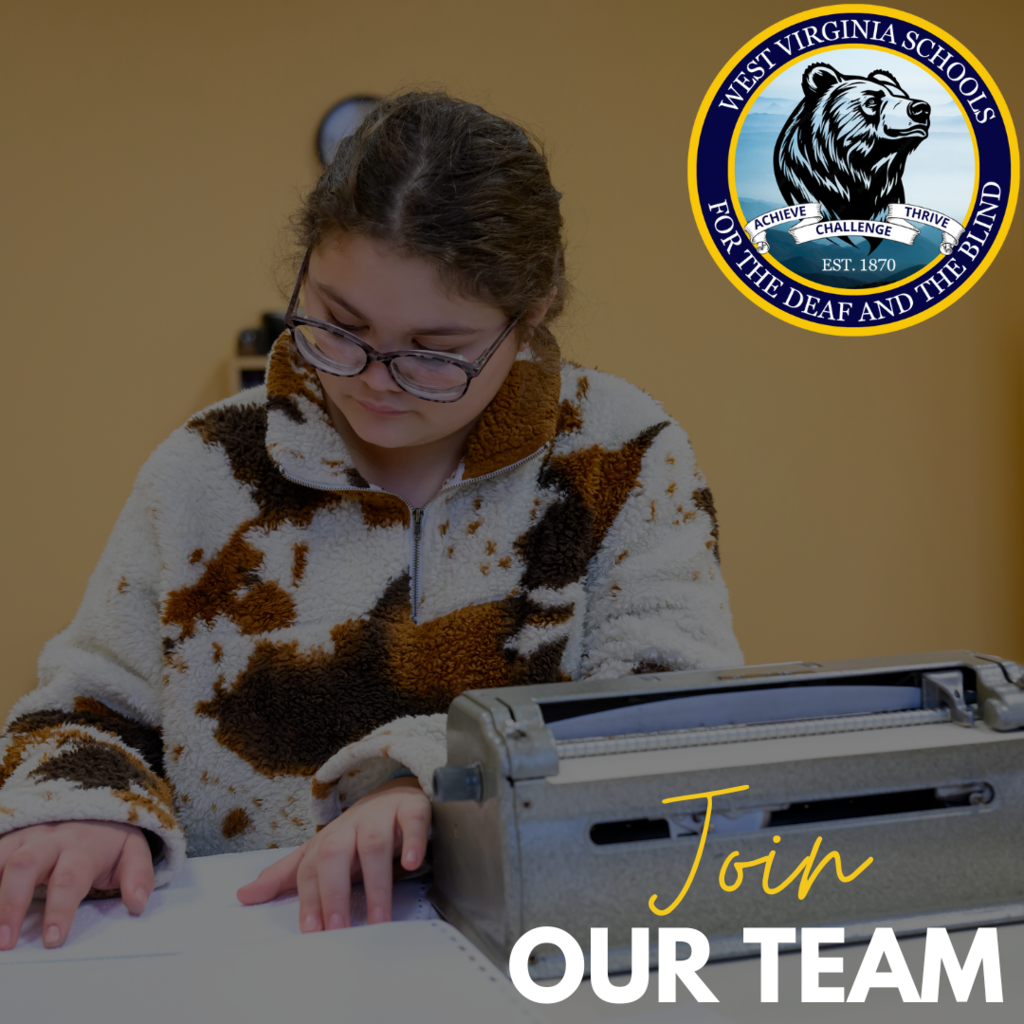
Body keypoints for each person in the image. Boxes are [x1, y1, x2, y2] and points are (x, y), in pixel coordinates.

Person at [0, 92, 743, 951]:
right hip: (253, 956)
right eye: (338, 325)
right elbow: (84, 711)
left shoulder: (621, 454)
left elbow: (672, 723)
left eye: (434, 354)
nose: (372, 381)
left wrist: (436, 783)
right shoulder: (205, 466)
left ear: (531, 315)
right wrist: (84, 805)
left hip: (532, 948)